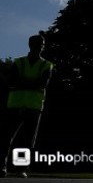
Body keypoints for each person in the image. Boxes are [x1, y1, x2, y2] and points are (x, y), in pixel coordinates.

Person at [0, 33, 53, 178]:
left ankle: (21, 168)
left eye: (42, 44)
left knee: (28, 141)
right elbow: (12, 81)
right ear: (30, 45)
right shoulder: (19, 62)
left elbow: (42, 83)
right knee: (6, 138)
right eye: (38, 44)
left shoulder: (46, 65)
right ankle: (2, 167)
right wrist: (32, 84)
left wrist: (23, 83)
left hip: (33, 106)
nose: (40, 47)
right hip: (16, 104)